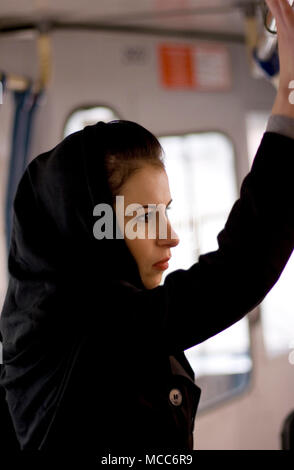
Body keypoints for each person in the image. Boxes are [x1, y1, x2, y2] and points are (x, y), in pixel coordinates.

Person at [0, 0, 294, 455]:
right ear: (89, 228)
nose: (171, 235)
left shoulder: (66, 319)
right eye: (143, 217)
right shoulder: (82, 327)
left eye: (167, 211)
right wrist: (288, 97)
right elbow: (237, 272)